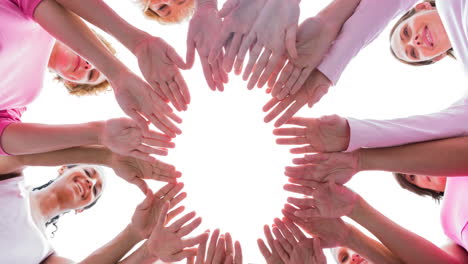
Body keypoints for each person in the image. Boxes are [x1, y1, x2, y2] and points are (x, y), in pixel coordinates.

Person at [284, 179, 468, 264]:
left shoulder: (451, 232)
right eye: (343, 259)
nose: (353, 258)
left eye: (348, 253)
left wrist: (350, 236)